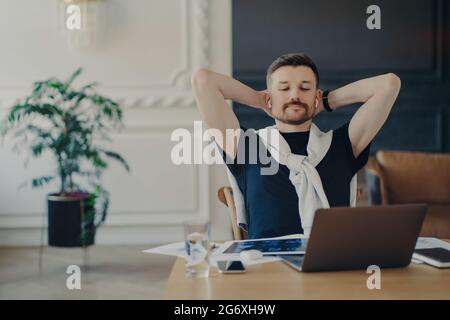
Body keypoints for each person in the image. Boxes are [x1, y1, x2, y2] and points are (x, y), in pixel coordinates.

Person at [191, 53, 401, 239]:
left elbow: (389, 84)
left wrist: (326, 101)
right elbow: (203, 81)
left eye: (305, 88)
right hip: (268, 269)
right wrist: (260, 100)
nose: (294, 95)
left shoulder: (343, 144)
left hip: (333, 267)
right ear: (269, 97)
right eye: (284, 88)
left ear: (316, 95)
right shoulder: (246, 147)